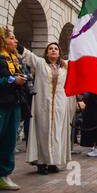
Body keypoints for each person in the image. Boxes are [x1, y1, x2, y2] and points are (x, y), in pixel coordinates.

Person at [18, 42, 76, 175]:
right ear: (47, 52)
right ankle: (41, 163)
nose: (53, 51)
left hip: (60, 105)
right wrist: (15, 43)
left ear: (60, 52)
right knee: (42, 132)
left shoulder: (66, 66)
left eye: (56, 49)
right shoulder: (40, 63)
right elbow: (26, 53)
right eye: (50, 49)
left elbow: (80, 65)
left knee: (57, 133)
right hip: (42, 104)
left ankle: (52, 162)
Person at [0, 27, 26, 190]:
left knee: (9, 142)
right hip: (1, 105)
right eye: (12, 38)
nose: (16, 41)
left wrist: (23, 79)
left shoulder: (15, 58)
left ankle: (4, 175)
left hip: (14, 104)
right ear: (3, 40)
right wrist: (11, 80)